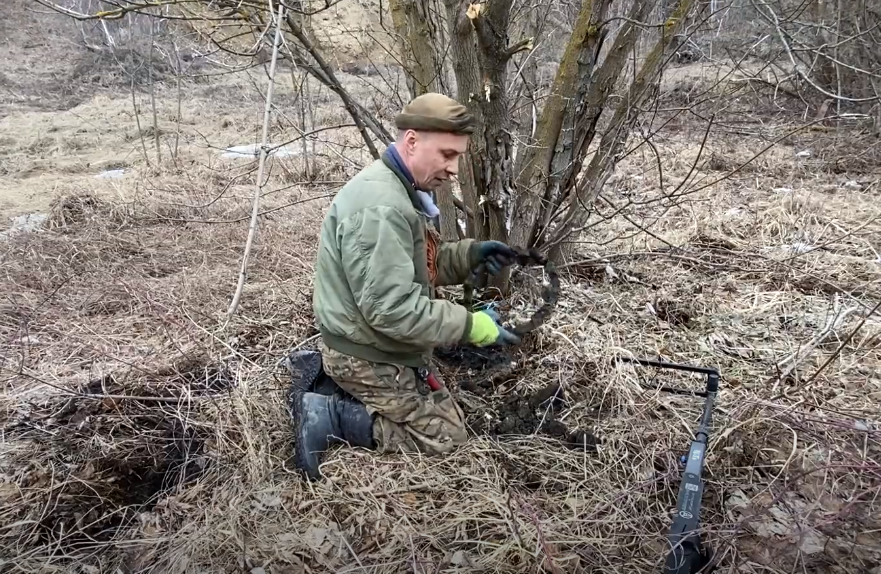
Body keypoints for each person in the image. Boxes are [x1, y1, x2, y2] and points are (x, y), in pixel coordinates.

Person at [292, 93, 521, 481]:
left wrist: (471, 255)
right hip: (365, 351)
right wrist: (471, 325)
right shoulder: (382, 207)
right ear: (412, 141)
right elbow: (394, 310)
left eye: (458, 156)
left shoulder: (397, 189)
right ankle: (329, 415)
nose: (454, 169)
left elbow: (417, 265)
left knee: (445, 413)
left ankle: (340, 394)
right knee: (446, 438)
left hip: (375, 339)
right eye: (447, 155)